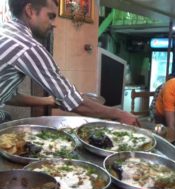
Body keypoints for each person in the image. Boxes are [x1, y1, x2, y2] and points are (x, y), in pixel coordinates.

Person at [0, 0, 138, 126]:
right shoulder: (27, 47)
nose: (53, 24)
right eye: (50, 16)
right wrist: (120, 114)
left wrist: (48, 101)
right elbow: (74, 103)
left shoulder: (6, 31)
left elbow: (9, 96)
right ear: (30, 11)